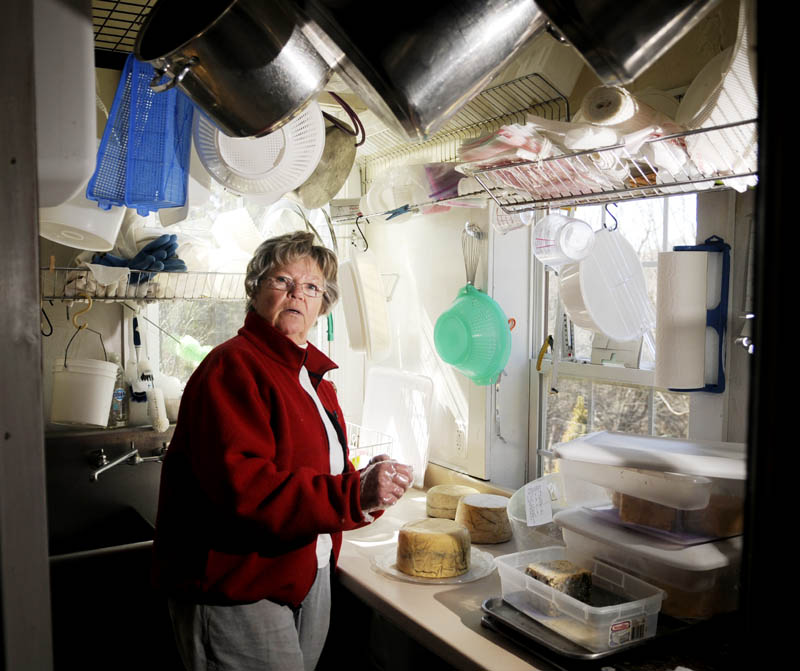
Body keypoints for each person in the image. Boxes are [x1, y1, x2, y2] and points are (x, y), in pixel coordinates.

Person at [152, 230, 413, 671]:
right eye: (282, 281)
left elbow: (313, 472)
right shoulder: (233, 367)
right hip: (238, 586)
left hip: (303, 574)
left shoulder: (313, 379)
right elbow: (248, 490)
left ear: (322, 303)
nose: (297, 294)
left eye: (311, 287)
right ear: (255, 290)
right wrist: (353, 494)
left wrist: (365, 483)